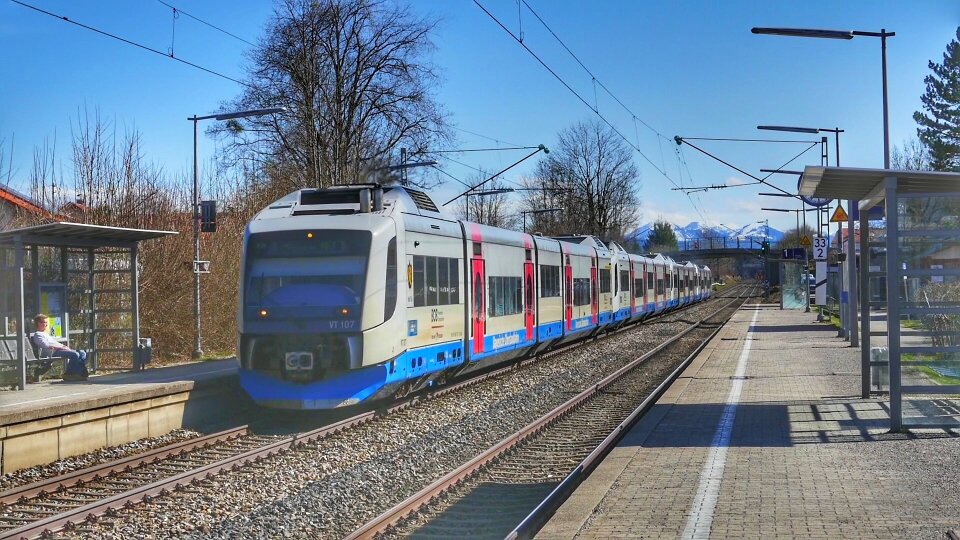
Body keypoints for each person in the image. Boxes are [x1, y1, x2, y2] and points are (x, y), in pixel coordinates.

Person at [31, 314, 88, 381]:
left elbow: (55, 343)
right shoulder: (38, 335)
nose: (46, 324)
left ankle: (79, 373)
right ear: (38, 323)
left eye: (46, 322)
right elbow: (46, 345)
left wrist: (63, 346)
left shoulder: (45, 334)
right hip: (52, 352)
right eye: (44, 322)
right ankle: (69, 373)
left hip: (58, 350)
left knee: (82, 353)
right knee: (75, 354)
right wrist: (61, 348)